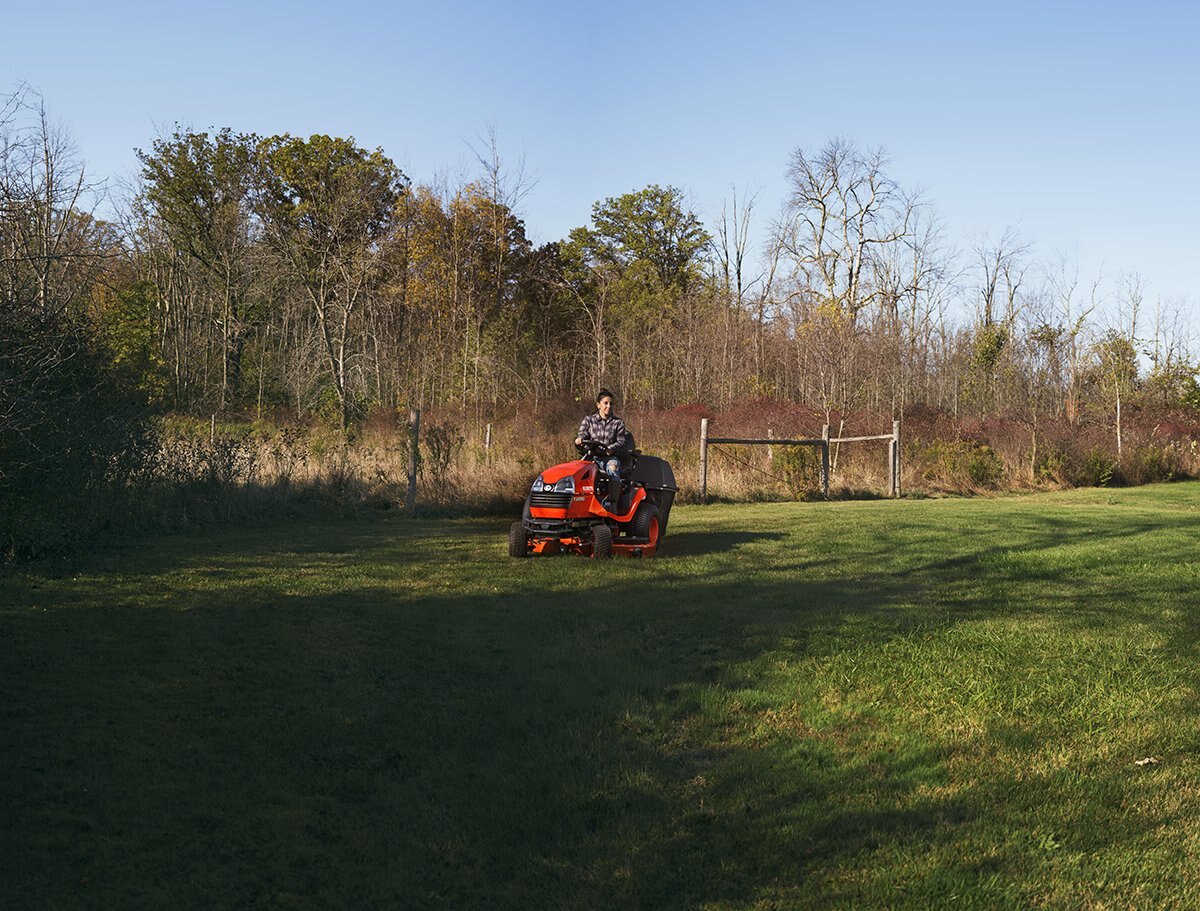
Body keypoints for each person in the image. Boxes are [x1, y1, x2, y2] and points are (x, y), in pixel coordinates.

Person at [575, 388, 628, 509]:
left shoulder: (618, 423)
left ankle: (611, 503)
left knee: (613, 469)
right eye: (605, 403)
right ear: (598, 405)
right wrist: (580, 440)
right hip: (591, 457)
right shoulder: (589, 420)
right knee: (576, 473)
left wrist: (610, 448)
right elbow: (582, 434)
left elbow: (621, 442)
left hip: (608, 458)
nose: (608, 406)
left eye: (611, 403)